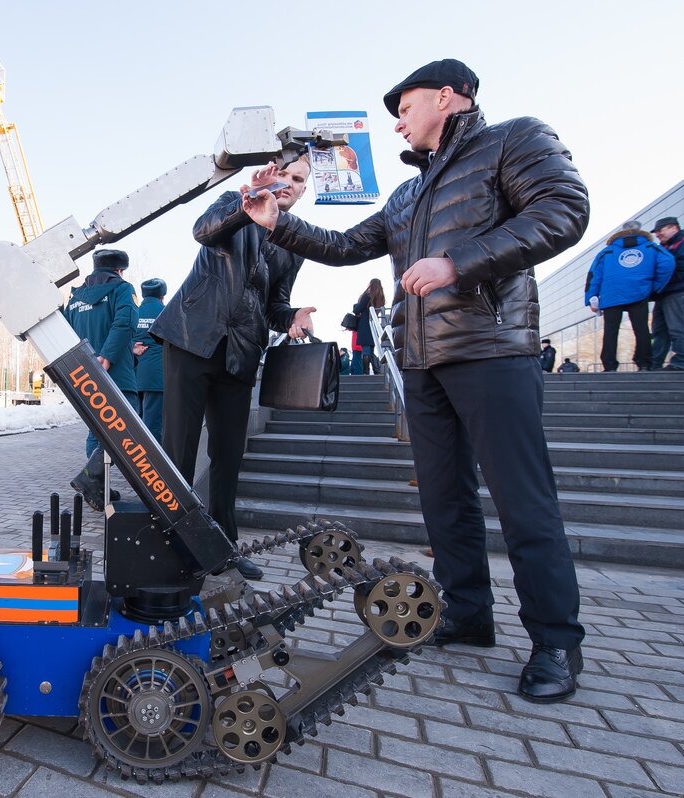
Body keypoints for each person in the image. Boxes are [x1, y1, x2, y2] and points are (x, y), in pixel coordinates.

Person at [242, 58, 588, 703]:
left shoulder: (514, 139)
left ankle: (555, 642)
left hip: (492, 350)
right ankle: (467, 613)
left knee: (523, 502)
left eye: (404, 109)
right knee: (443, 499)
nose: (397, 124)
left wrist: (457, 262)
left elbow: (564, 211)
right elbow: (346, 246)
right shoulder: (407, 194)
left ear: (447, 97)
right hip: (421, 363)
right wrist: (276, 221)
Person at [149, 157, 314, 581]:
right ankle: (171, 545)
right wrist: (247, 202)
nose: (289, 183)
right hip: (192, 337)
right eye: (284, 174)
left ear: (303, 190)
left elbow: (273, 304)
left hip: (241, 353)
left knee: (228, 455)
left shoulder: (293, 242)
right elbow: (203, 231)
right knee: (179, 449)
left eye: (298, 180)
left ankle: (223, 547)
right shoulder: (232, 201)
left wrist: (292, 316)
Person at [66, 249, 138, 509]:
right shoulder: (122, 289)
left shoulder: (75, 297)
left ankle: (99, 486)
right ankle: (90, 477)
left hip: (83, 373)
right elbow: (125, 323)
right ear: (119, 270)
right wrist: (107, 355)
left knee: (96, 431)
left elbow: (66, 333)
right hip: (115, 373)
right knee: (128, 428)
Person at [585, 221, 674, 372]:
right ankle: (644, 362)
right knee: (641, 328)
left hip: (611, 293)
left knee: (610, 331)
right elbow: (668, 262)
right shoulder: (651, 247)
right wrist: (654, 286)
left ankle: (609, 365)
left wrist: (591, 297)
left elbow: (594, 275)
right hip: (639, 291)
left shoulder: (607, 251)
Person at [649, 216, 684, 371]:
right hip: (663, 293)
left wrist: (662, 281)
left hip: (677, 291)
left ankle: (679, 362)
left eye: (660, 230)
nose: (657, 235)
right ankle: (655, 363)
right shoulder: (665, 246)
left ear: (674, 227)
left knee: (677, 327)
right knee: (659, 331)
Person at [133, 278, 167, 443]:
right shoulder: (166, 312)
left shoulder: (134, 312)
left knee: (137, 421)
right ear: (162, 295)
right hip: (157, 377)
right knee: (153, 425)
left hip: (135, 375)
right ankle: (152, 457)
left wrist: (132, 347)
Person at [352, 278, 386, 374]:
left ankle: (366, 372)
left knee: (366, 348)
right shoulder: (381, 297)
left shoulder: (367, 295)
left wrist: (356, 306)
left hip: (365, 324)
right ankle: (376, 370)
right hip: (374, 324)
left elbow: (357, 310)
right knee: (371, 349)